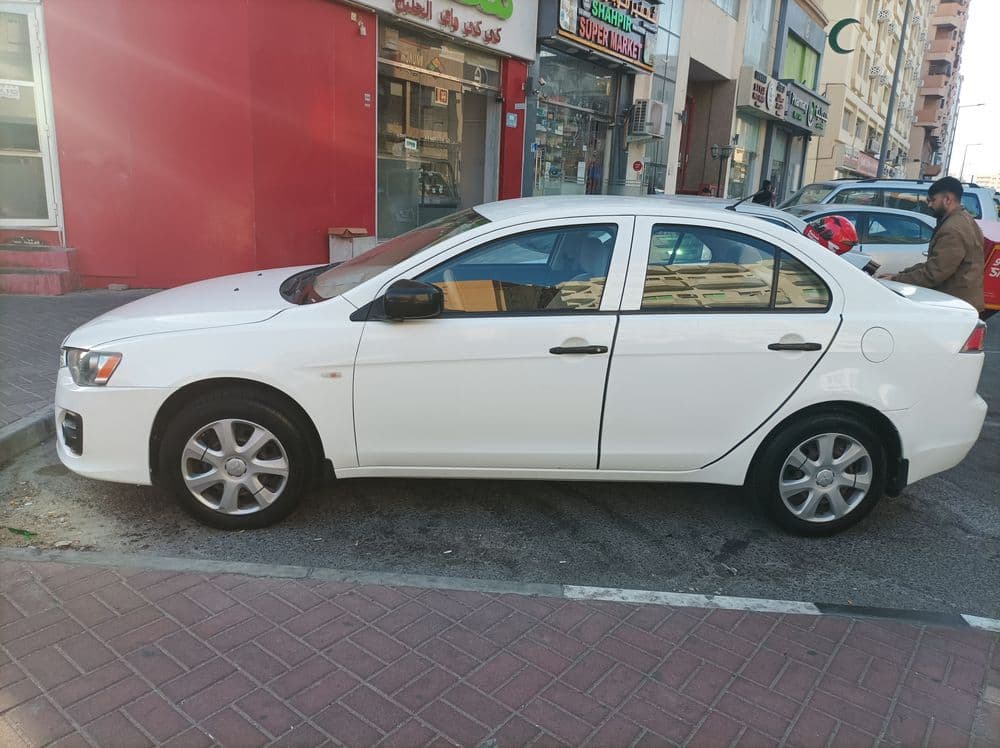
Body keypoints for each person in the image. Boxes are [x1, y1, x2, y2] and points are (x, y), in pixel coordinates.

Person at [879, 176, 984, 312]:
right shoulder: (965, 219)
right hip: (962, 301)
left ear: (947, 199)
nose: (929, 205)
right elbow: (937, 264)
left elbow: (934, 273)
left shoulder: (952, 229)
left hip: (955, 306)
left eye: (932, 200)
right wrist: (900, 275)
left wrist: (897, 279)